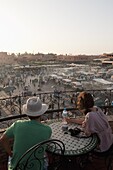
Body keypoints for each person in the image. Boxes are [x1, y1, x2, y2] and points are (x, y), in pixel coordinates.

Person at [0, 97, 52, 169]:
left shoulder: (18, 125)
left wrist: (10, 153)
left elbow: (2, 139)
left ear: (27, 113)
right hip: (37, 167)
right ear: (41, 113)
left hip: (17, 167)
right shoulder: (47, 129)